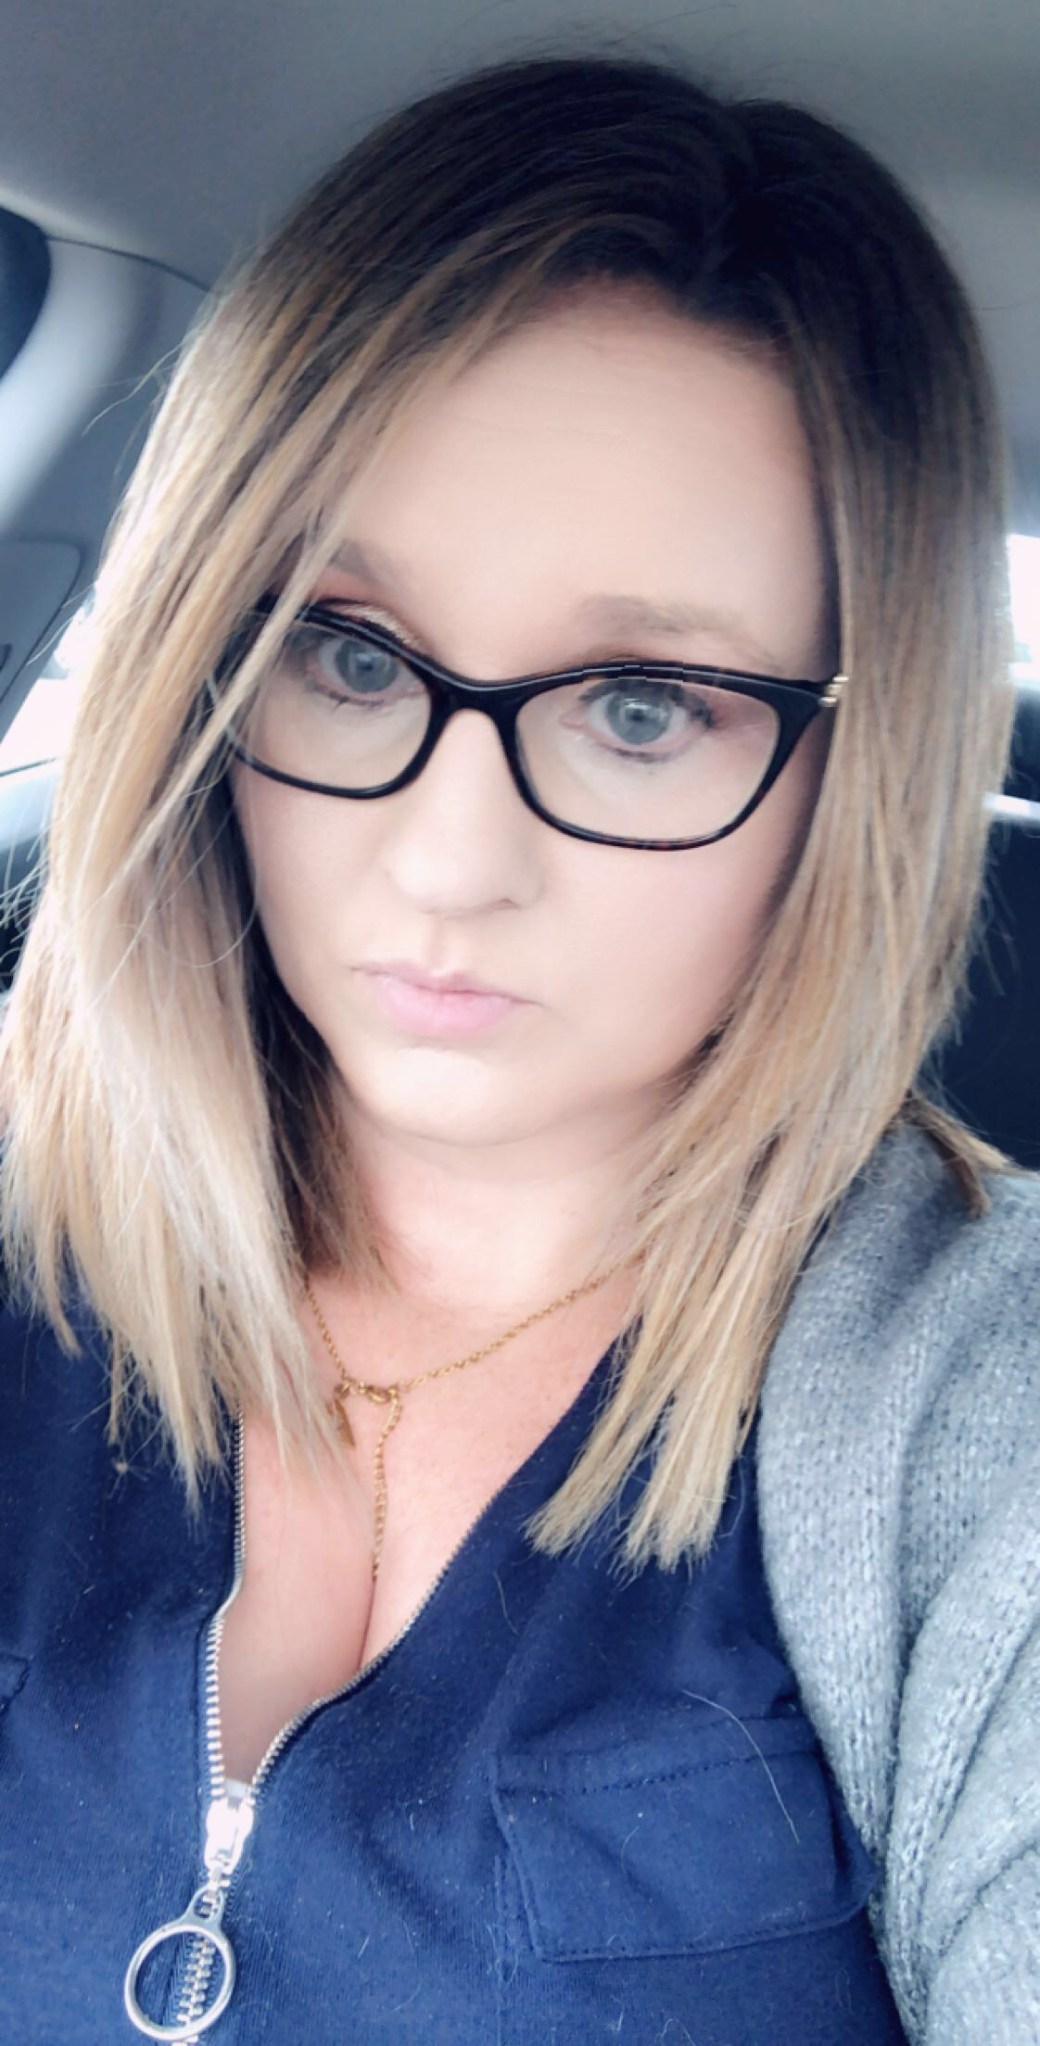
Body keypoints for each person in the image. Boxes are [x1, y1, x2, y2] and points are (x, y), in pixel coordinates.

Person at [0, 48, 1036, 2046]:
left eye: (643, 707)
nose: (445, 860)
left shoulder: (977, 1413)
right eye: (349, 651)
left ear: (857, 770)